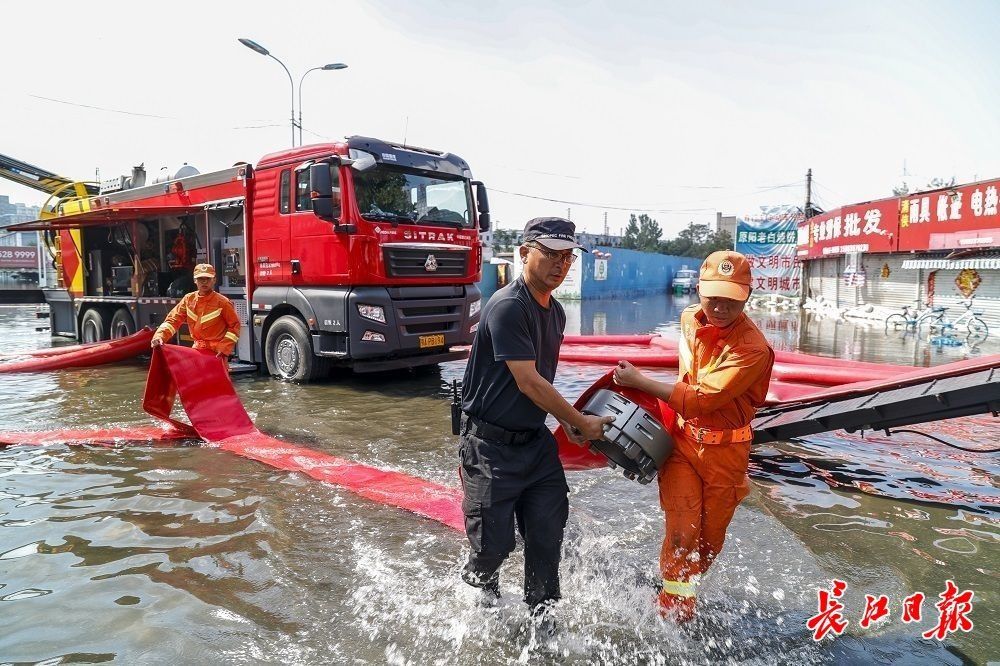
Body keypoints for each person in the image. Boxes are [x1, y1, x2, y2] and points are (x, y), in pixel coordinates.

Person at [459, 217, 613, 626]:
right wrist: (577, 420)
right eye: (550, 255)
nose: (560, 265)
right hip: (488, 446)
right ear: (524, 253)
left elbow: (542, 383)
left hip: (534, 443)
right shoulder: (509, 306)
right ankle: (479, 592)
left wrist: (573, 424)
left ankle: (542, 622)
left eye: (567, 258)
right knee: (493, 547)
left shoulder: (557, 313)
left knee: (546, 540)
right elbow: (528, 381)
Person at [612, 250, 774, 621]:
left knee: (708, 543)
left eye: (731, 298)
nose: (720, 306)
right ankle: (673, 610)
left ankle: (683, 591)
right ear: (699, 290)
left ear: (746, 295)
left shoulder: (752, 349)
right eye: (713, 295)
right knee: (683, 532)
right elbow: (687, 377)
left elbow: (703, 399)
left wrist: (641, 381)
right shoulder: (688, 320)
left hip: (727, 454)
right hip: (683, 444)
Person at [151, 263, 240, 359]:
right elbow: (172, 321)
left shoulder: (223, 302)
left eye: (208, 278)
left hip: (216, 353)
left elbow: (235, 326)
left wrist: (224, 347)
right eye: (200, 279)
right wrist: (159, 336)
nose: (204, 282)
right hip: (197, 352)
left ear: (214, 280)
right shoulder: (188, 299)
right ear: (194, 280)